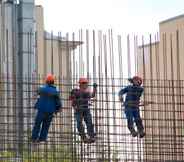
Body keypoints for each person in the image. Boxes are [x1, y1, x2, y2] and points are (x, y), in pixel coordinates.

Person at [31, 74, 62, 143]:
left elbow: (37, 91)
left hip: (41, 110)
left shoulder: (42, 89)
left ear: (46, 81)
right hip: (50, 111)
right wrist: (58, 109)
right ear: (53, 82)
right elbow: (58, 102)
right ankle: (42, 139)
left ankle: (34, 138)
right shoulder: (55, 91)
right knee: (46, 126)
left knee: (37, 124)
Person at [69, 77, 97, 143]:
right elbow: (72, 99)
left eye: (86, 84)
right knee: (79, 123)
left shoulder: (87, 93)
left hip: (86, 109)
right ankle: (84, 137)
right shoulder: (76, 91)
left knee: (89, 122)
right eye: (84, 83)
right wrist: (74, 105)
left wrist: (95, 88)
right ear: (80, 84)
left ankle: (91, 136)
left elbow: (92, 95)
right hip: (78, 109)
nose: (86, 85)